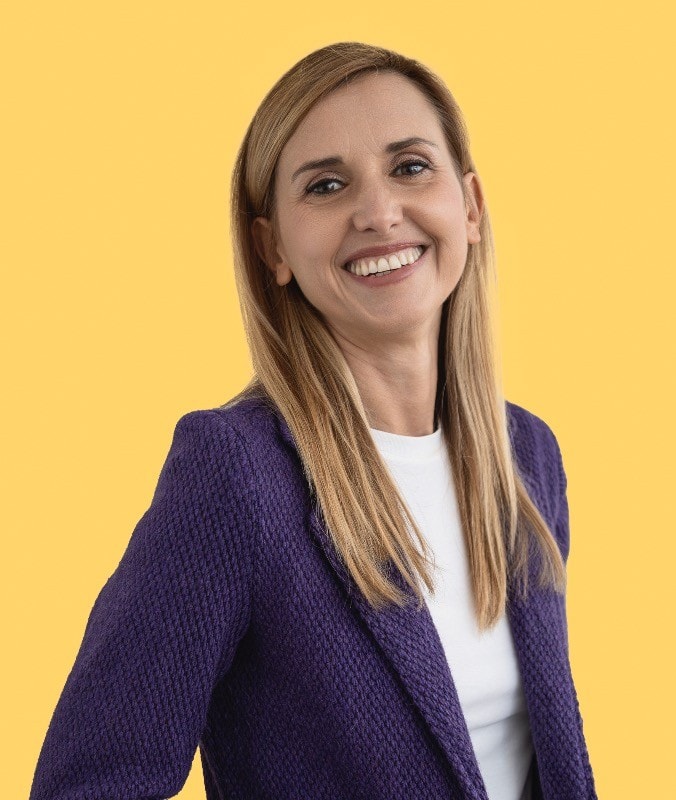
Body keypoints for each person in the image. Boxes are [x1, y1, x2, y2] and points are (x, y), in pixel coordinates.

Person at [29, 42, 597, 800]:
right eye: (327, 186)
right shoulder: (235, 475)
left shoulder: (526, 456)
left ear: (470, 206)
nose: (378, 212)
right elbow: (89, 783)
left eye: (410, 166)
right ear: (274, 249)